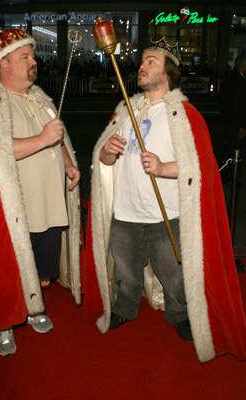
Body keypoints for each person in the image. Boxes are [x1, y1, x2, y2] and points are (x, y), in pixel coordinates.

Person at [85, 37, 246, 363]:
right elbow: (103, 163)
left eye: (151, 62)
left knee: (174, 276)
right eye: (142, 61)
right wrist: (105, 152)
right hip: (126, 213)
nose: (142, 66)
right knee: (127, 272)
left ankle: (179, 313)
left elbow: (199, 166)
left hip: (166, 215)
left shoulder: (183, 114)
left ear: (168, 73)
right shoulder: (124, 109)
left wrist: (162, 167)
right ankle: (124, 308)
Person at [0, 27, 81, 357]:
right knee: (8, 268)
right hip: (14, 211)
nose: (33, 62)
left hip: (49, 204)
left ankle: (32, 308)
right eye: (25, 57)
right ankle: (2, 324)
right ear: (4, 63)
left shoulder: (40, 97)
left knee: (42, 271)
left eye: (32, 56)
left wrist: (69, 163)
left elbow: (58, 136)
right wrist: (43, 139)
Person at [220, 54, 246, 151]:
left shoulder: (228, 79)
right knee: (236, 150)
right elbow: (241, 106)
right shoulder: (241, 82)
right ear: (243, 66)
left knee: (228, 148)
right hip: (237, 124)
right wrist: (243, 126)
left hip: (227, 120)